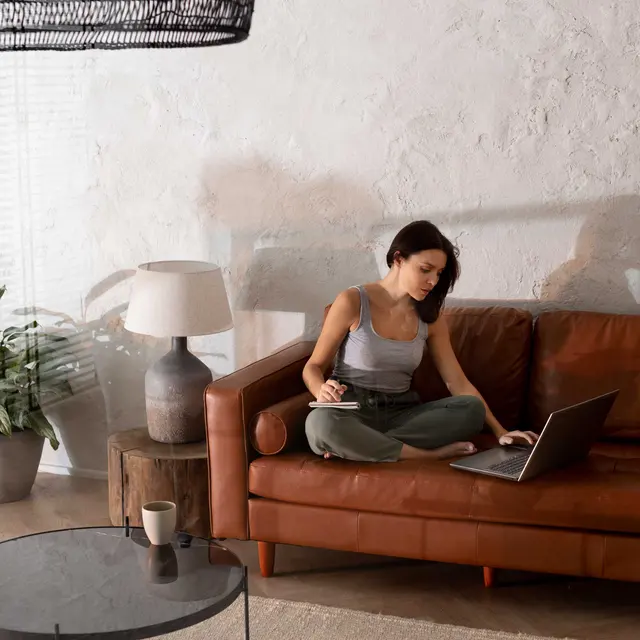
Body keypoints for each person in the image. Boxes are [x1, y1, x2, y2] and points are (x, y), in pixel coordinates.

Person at [303, 220, 538, 462]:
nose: (433, 281)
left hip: (401, 413)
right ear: (399, 259)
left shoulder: (429, 317)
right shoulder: (352, 301)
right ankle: (424, 455)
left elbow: (457, 382)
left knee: (471, 410)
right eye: (425, 269)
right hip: (351, 409)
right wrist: (320, 389)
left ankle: (361, 446)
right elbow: (312, 367)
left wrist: (501, 432)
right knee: (321, 424)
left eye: (438, 273)